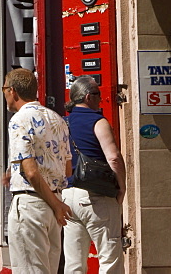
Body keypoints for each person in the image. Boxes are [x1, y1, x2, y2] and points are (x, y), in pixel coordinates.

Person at [3, 68, 72, 274]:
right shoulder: (57, 119)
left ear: (13, 91)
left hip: (31, 203)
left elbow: (31, 172)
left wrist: (57, 205)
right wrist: (56, 203)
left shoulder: (19, 120)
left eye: (5, 89)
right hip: (52, 206)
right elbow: (67, 168)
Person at [61, 76, 126, 274]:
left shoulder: (63, 123)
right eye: (98, 95)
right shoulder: (98, 121)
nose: (101, 99)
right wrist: (121, 188)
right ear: (89, 97)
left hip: (69, 195)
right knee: (109, 260)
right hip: (96, 196)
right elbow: (113, 157)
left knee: (74, 264)